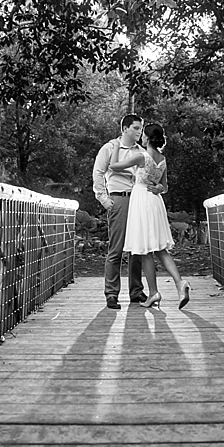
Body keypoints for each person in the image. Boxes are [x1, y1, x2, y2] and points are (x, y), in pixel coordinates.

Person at [114, 122, 190, 309]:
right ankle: (177, 283)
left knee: (146, 248)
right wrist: (159, 188)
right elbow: (164, 186)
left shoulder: (141, 156)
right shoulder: (162, 159)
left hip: (141, 201)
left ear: (146, 138)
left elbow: (114, 166)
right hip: (155, 201)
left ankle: (156, 292)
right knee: (157, 249)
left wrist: (116, 146)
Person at [92, 115, 147, 309]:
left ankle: (136, 292)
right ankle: (112, 293)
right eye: (136, 128)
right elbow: (98, 173)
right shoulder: (109, 148)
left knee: (137, 249)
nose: (139, 131)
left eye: (141, 128)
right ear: (124, 129)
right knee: (116, 248)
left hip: (138, 200)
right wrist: (105, 200)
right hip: (119, 199)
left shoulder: (141, 151)